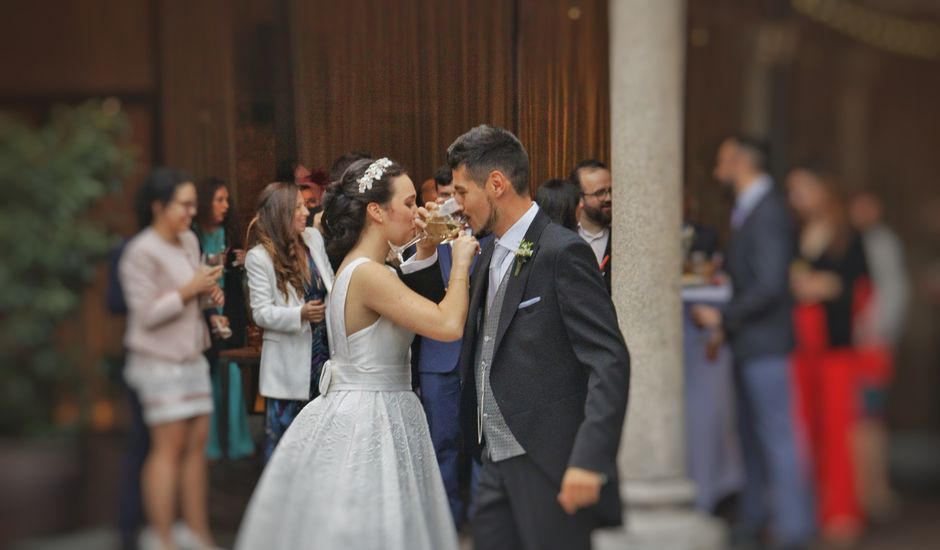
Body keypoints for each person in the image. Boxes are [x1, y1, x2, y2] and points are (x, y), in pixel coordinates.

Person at [403, 126, 630, 550]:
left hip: (550, 462)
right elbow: (439, 313)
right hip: (493, 460)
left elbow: (609, 360)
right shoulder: (484, 251)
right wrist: (427, 251)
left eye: (461, 191)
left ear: (496, 184)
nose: (456, 205)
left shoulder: (562, 252)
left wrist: (588, 459)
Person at [235, 158, 479, 550]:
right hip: (373, 413)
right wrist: (461, 263)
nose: (418, 212)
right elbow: (447, 325)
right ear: (377, 211)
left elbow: (411, 293)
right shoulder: (370, 274)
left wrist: (429, 246)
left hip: (373, 405)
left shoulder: (364, 266)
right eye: (410, 202)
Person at [691, 137, 814, 549]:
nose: (716, 172)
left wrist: (723, 315)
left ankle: (793, 529)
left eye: (722, 161)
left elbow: (770, 283)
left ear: (741, 162)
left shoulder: (767, 211)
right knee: (753, 435)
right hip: (753, 342)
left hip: (766, 344)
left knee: (776, 434)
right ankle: (757, 518)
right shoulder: (755, 209)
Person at [119, 167, 224, 550]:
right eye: (184, 205)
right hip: (157, 361)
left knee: (197, 447)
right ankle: (162, 539)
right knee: (168, 448)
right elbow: (145, 314)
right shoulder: (140, 251)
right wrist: (188, 290)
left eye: (193, 205)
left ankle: (199, 534)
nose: (191, 212)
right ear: (158, 206)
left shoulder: (189, 242)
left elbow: (192, 293)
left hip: (191, 355)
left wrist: (207, 295)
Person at [787, 162, 868, 544]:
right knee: (804, 427)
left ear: (823, 190)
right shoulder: (797, 231)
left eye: (803, 188)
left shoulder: (847, 234)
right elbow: (793, 281)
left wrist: (817, 284)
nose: (796, 198)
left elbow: (849, 285)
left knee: (837, 427)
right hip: (802, 347)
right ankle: (806, 510)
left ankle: (840, 512)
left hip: (835, 345)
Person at [244, 182, 334, 462]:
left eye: (304, 205)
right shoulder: (258, 258)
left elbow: (330, 282)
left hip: (323, 355)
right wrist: (300, 315)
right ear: (281, 213)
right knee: (287, 450)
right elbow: (260, 313)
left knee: (320, 443)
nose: (305, 212)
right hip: (290, 363)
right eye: (297, 207)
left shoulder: (313, 239)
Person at [848, 191, 908, 521]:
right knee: (862, 420)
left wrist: (869, 332)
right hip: (864, 346)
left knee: (868, 418)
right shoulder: (859, 241)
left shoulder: (882, 244)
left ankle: (874, 492)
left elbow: (892, 296)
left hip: (871, 346)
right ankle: (868, 491)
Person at [191, 177, 254, 462]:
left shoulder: (230, 234)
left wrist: (241, 262)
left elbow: (236, 279)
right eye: (219, 199)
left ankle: (236, 441)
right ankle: (210, 443)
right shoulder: (190, 236)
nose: (225, 206)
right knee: (206, 375)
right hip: (201, 313)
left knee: (230, 372)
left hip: (229, 310)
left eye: (227, 200)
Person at [570, 159, 613, 293]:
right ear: (580, 198)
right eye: (600, 193)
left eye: (611, 190)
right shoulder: (566, 236)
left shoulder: (622, 237)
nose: (608, 198)